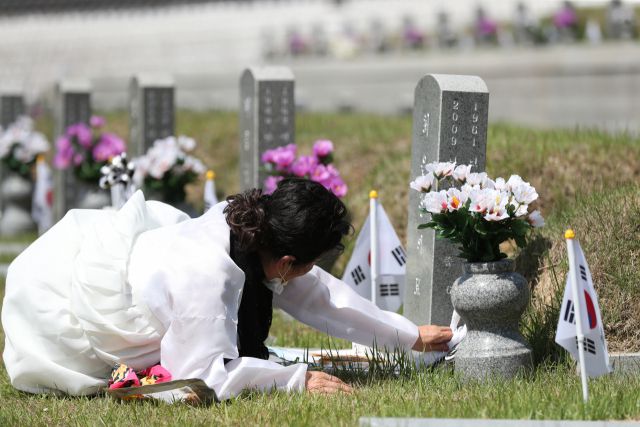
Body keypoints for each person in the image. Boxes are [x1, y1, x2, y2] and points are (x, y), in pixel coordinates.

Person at [1, 178, 454, 400]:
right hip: (63, 311)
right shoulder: (208, 277)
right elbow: (204, 375)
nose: (309, 273)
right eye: (307, 264)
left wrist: (408, 335)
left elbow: (321, 295)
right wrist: (297, 379)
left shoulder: (253, 227)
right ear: (287, 262)